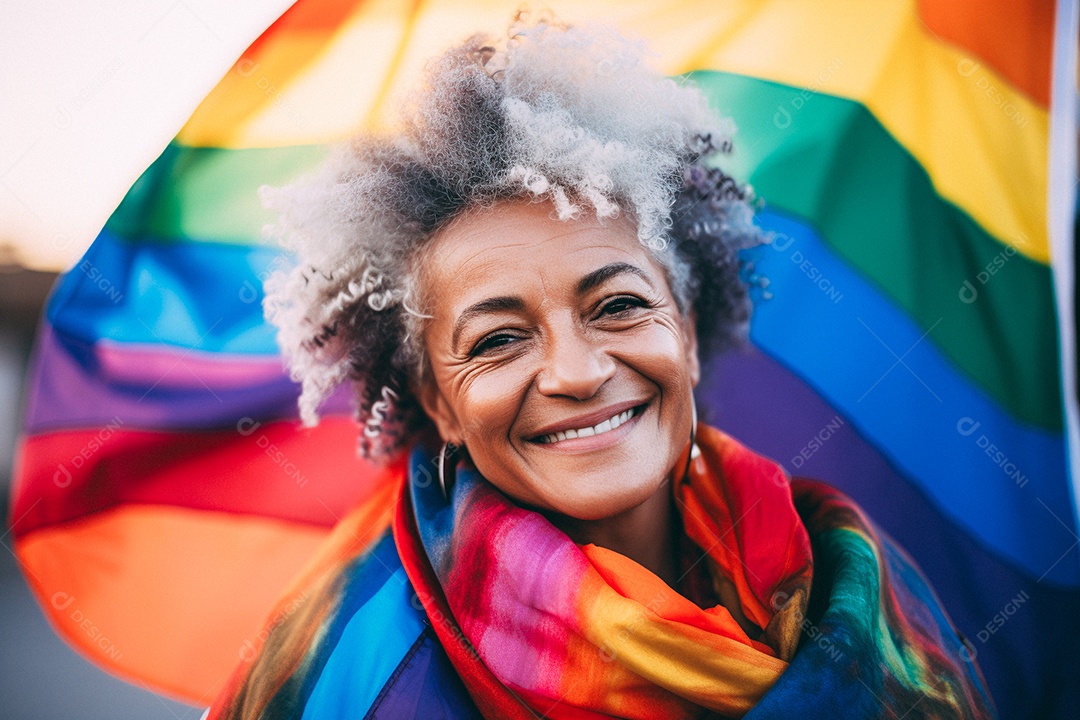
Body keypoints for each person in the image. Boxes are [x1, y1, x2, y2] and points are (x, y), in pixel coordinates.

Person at [206, 16, 995, 720]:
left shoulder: (856, 576)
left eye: (617, 306)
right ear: (438, 404)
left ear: (684, 331)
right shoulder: (345, 675)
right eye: (496, 341)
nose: (577, 373)